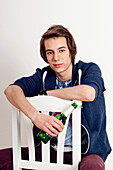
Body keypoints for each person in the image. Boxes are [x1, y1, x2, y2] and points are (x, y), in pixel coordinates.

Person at [2, 25, 111, 170]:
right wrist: (35, 116)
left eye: (61, 50)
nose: (56, 58)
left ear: (71, 51)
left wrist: (48, 94)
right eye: (50, 52)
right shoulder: (43, 76)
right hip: (49, 150)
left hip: (87, 153)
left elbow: (88, 93)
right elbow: (11, 90)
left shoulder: (88, 70)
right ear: (45, 56)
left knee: (92, 167)